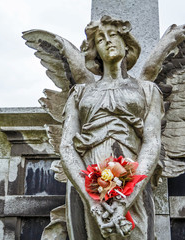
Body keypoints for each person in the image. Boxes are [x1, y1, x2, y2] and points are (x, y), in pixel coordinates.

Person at [60, 16, 164, 239]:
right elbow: (67, 147)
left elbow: (152, 142)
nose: (108, 41)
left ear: (127, 43)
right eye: (100, 39)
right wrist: (93, 201)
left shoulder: (147, 90)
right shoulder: (79, 93)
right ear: (95, 50)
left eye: (113, 35)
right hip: (87, 179)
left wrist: (128, 196)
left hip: (133, 178)